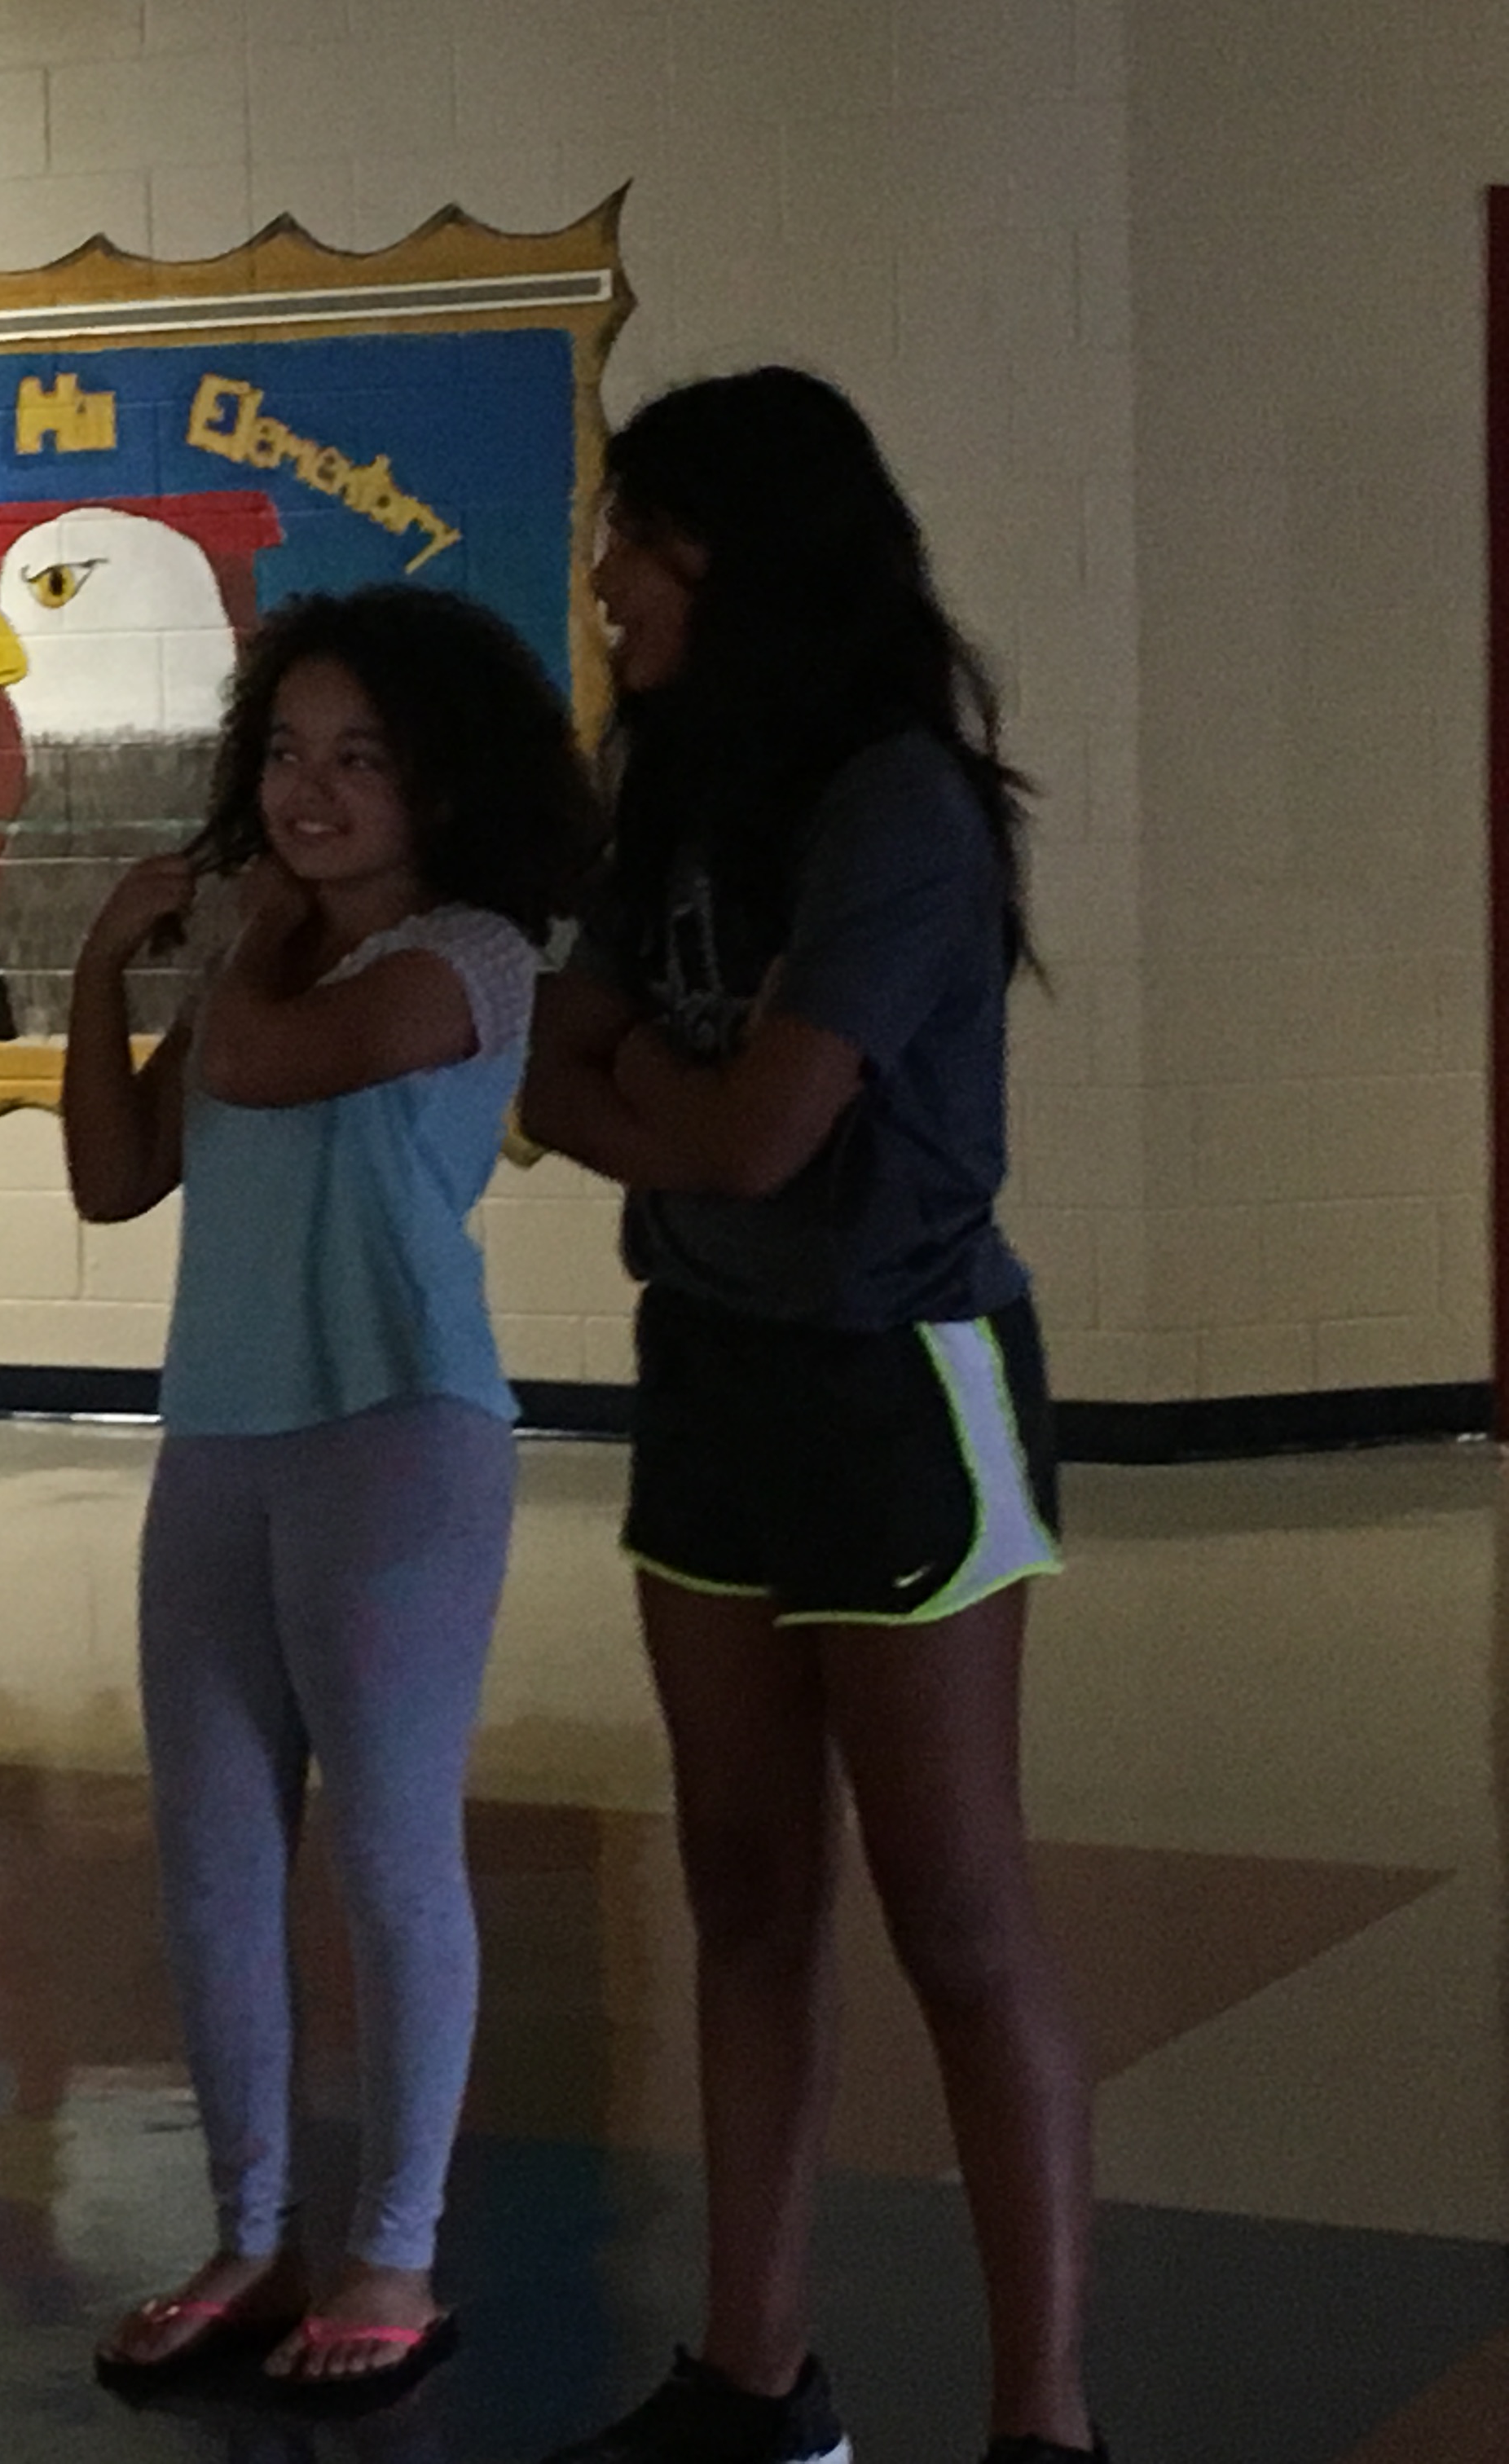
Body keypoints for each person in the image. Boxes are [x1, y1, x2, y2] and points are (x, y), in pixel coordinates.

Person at [519, 368, 1099, 2464]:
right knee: (747, 1892)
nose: (605, 580)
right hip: (714, 1373)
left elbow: (757, 1134)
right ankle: (757, 2379)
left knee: (956, 1918)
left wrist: (661, 1107)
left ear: (745, 557)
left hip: (897, 1383)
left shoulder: (897, 809)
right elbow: (551, 1075)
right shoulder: (667, 784)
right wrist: (679, 1109)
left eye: (639, 539)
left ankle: (1046, 2418)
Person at [65, 587, 597, 2409]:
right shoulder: (259, 969)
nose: (310, 791)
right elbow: (116, 1176)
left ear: (444, 783)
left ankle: (395, 2251)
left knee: (386, 1844)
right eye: (287, 752)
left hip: (398, 1437)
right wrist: (99, 973)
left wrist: (246, 942)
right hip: (221, 1436)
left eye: (360, 758)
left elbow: (273, 1063)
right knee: (215, 1857)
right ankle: (252, 2232)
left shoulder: (472, 957)